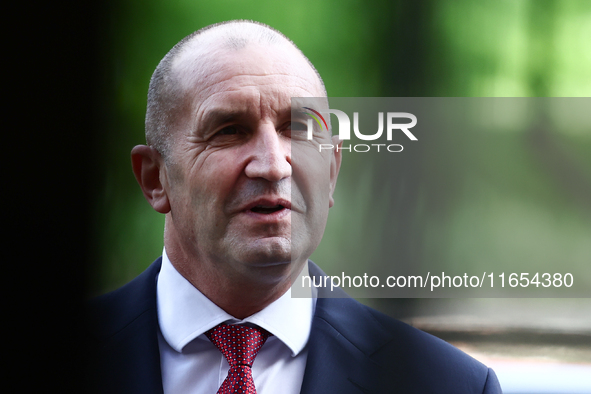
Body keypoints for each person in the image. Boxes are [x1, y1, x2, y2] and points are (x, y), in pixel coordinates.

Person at [87, 20, 503, 393]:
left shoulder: (448, 384)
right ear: (154, 178)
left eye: (298, 130)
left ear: (332, 170)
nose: (273, 165)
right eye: (230, 130)